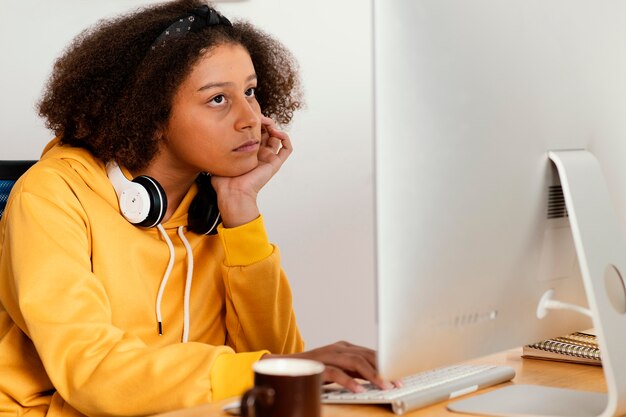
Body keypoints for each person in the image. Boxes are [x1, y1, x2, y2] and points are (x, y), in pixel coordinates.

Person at [0, 1, 392, 416]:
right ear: (148, 113)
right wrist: (268, 369)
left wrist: (241, 211)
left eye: (250, 92)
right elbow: (92, 372)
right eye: (218, 99)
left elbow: (276, 360)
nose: (251, 119)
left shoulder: (211, 205)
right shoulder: (50, 197)